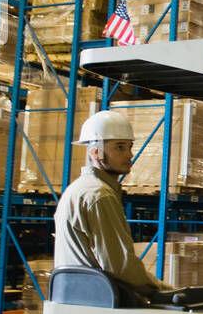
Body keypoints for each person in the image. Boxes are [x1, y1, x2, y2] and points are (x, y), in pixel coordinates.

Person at [53, 111, 168, 297]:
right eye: (120, 147)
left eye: (130, 147)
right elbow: (119, 266)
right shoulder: (100, 195)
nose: (129, 154)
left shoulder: (78, 188)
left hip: (75, 294)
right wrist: (164, 290)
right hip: (96, 298)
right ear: (95, 152)